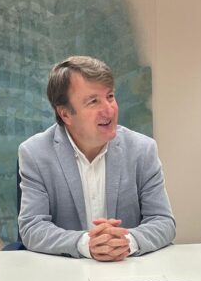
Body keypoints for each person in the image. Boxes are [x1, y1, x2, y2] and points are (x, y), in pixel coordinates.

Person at [17, 55, 175, 260]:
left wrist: (127, 242)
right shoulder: (35, 153)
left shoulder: (142, 150)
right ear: (65, 114)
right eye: (93, 101)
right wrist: (86, 244)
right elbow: (32, 228)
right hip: (67, 271)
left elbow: (163, 221)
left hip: (129, 268)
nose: (109, 110)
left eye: (110, 96)